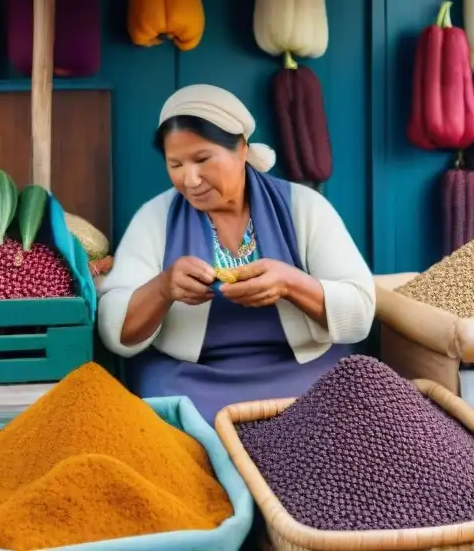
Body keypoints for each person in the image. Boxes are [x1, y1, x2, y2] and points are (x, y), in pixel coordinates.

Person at [97, 84, 375, 421]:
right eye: (176, 164)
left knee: (350, 415)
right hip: (192, 379)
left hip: (305, 373)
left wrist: (290, 284)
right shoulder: (155, 218)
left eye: (202, 159)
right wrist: (163, 288)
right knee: (172, 428)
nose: (190, 179)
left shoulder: (305, 207)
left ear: (241, 149)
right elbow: (115, 330)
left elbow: (360, 313)